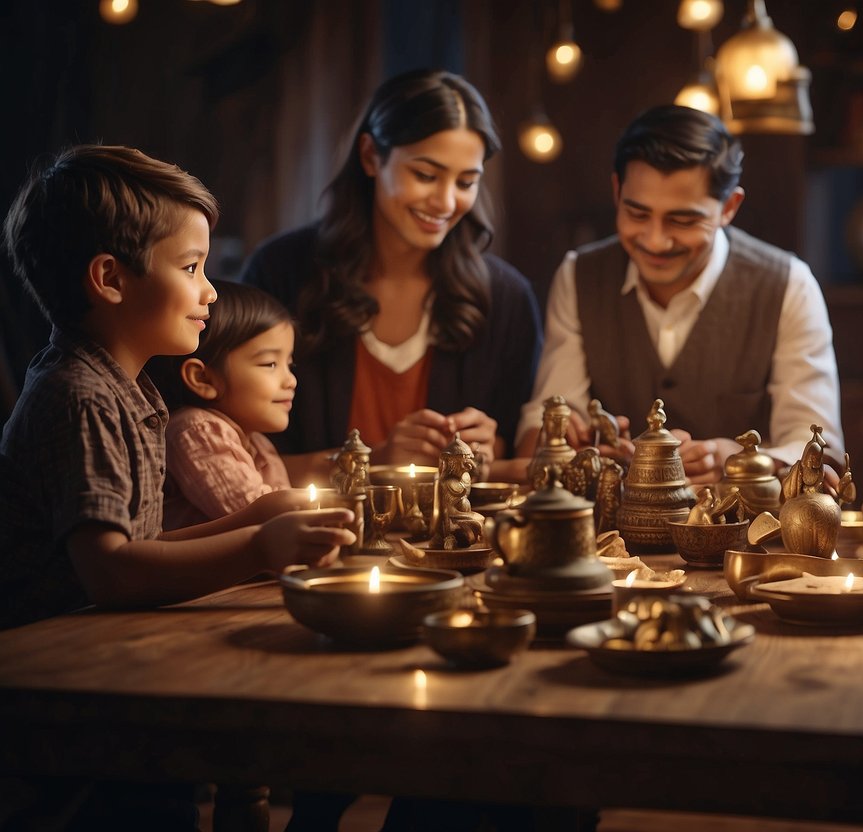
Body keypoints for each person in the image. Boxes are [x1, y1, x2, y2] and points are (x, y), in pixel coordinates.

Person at [0, 144, 354, 828]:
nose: (211, 291)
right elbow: (109, 572)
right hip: (56, 702)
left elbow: (141, 545)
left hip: (100, 668)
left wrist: (263, 515)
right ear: (110, 278)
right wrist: (257, 546)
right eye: (191, 268)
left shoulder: (124, 390)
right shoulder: (79, 395)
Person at [241, 69, 542, 485]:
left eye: (466, 182)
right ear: (370, 156)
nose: (446, 201)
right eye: (425, 175)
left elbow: (514, 448)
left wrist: (490, 450)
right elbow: (232, 456)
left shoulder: (508, 300)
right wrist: (377, 461)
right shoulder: (281, 273)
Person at [516, 104, 843, 483]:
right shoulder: (579, 276)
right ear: (617, 191)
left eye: (683, 220)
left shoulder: (789, 286)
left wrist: (737, 460)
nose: (656, 240)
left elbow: (820, 451)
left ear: (729, 207)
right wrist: (562, 435)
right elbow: (535, 439)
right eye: (637, 214)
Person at [152, 280, 297, 530]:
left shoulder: (259, 445)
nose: (291, 380)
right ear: (203, 378)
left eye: (289, 365)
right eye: (270, 364)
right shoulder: (196, 430)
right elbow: (267, 517)